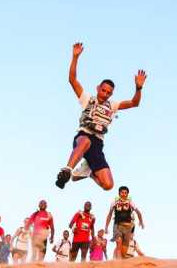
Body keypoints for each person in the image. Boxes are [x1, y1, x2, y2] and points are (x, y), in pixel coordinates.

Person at [55, 42, 148, 191]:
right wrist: (75, 57)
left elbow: (134, 103)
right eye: (103, 90)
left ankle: (88, 171)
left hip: (98, 144)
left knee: (108, 185)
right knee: (85, 142)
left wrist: (138, 88)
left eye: (108, 92)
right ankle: (67, 170)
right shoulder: (87, 98)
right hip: (83, 136)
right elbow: (72, 79)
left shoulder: (113, 106)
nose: (105, 94)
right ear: (98, 88)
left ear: (111, 94)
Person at [105, 186, 144, 259]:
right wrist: (106, 227)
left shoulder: (130, 202)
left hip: (128, 226)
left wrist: (141, 221)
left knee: (125, 247)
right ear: (119, 193)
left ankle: (123, 260)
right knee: (119, 242)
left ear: (127, 194)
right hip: (117, 225)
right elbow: (110, 214)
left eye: (125, 193)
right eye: (122, 192)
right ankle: (119, 263)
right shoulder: (114, 202)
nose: (124, 194)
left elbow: (138, 212)